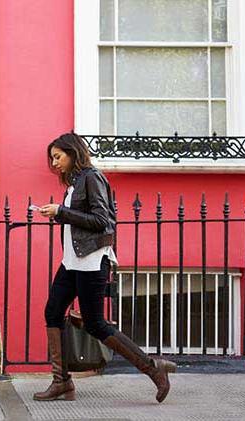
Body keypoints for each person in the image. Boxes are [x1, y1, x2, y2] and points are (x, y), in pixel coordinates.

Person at [32, 133, 176, 403]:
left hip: (92, 261)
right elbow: (80, 220)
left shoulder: (92, 177)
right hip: (72, 261)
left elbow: (102, 220)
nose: (54, 164)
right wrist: (58, 214)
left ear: (73, 153)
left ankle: (153, 368)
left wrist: (61, 212)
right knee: (53, 312)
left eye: (58, 157)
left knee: (95, 324)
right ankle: (61, 382)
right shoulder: (74, 182)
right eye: (51, 158)